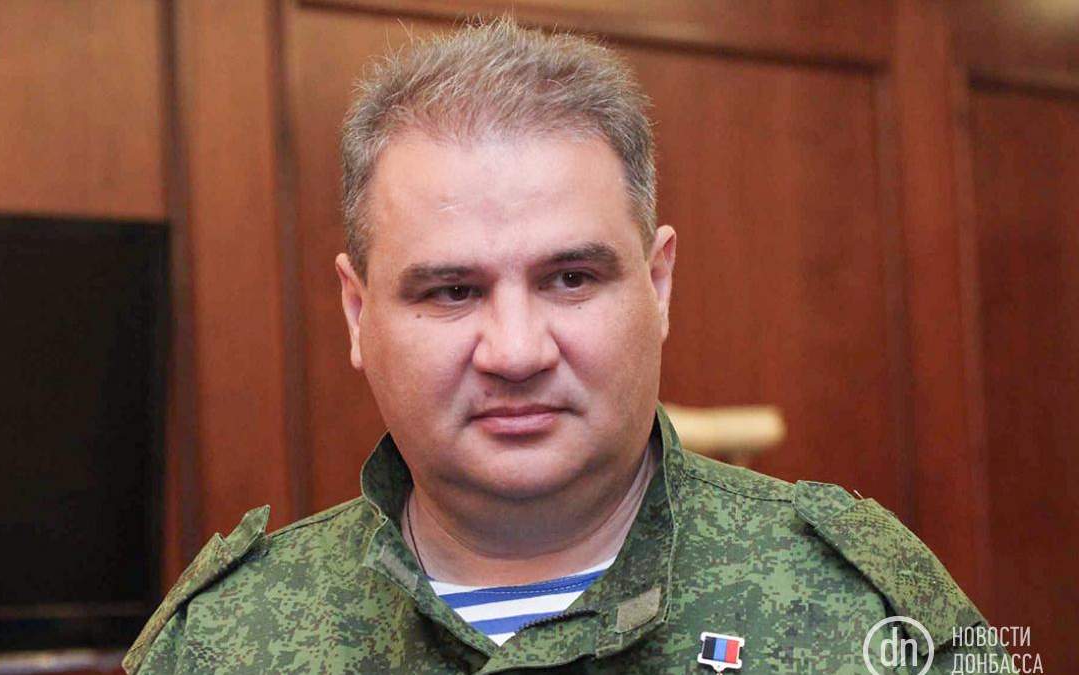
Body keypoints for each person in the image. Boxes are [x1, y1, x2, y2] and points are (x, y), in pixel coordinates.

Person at [125, 18, 1008, 674]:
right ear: (358, 314)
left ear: (658, 284)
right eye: (452, 290)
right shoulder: (223, 641)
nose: (515, 351)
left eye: (571, 278)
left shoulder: (864, 613)